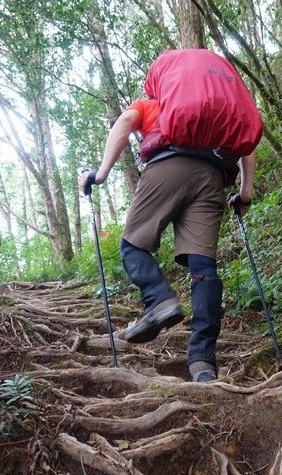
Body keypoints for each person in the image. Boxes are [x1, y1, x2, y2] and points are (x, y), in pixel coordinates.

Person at [79, 96, 256, 383]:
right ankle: (202, 363)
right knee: (204, 269)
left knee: (132, 245)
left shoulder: (152, 103)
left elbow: (124, 122)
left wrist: (100, 174)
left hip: (166, 167)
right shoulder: (216, 111)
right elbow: (247, 143)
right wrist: (246, 192)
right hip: (212, 177)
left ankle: (159, 300)